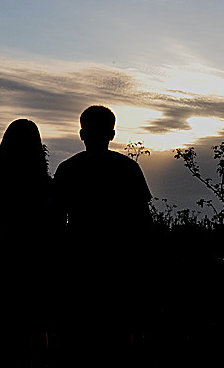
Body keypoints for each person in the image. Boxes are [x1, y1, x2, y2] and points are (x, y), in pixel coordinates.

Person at [51, 105, 153, 364]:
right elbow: (144, 222)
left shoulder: (67, 169)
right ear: (113, 134)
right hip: (119, 267)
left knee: (80, 341)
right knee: (118, 339)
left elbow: (55, 223)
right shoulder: (128, 169)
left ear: (81, 134)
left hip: (79, 267)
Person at [0, 118, 52, 367]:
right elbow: (56, 228)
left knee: (8, 329)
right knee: (37, 326)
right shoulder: (45, 185)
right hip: (38, 263)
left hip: (4, 262)